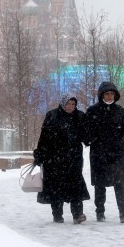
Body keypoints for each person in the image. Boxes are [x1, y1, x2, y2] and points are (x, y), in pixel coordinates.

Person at [33, 94, 90, 224]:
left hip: (73, 158)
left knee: (75, 186)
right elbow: (44, 137)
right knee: (56, 188)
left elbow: (86, 136)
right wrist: (40, 154)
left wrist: (90, 136)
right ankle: (57, 215)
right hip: (54, 159)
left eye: (73, 104)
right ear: (63, 103)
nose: (71, 107)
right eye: (68, 104)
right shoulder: (52, 116)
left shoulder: (79, 117)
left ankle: (77, 215)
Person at [85, 81, 124, 223]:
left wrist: (123, 140)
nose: (109, 96)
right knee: (100, 185)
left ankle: (123, 212)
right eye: (106, 94)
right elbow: (87, 131)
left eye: (111, 94)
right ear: (102, 95)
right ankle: (100, 212)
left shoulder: (120, 110)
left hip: (117, 154)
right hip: (99, 154)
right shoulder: (92, 111)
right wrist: (94, 138)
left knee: (120, 183)